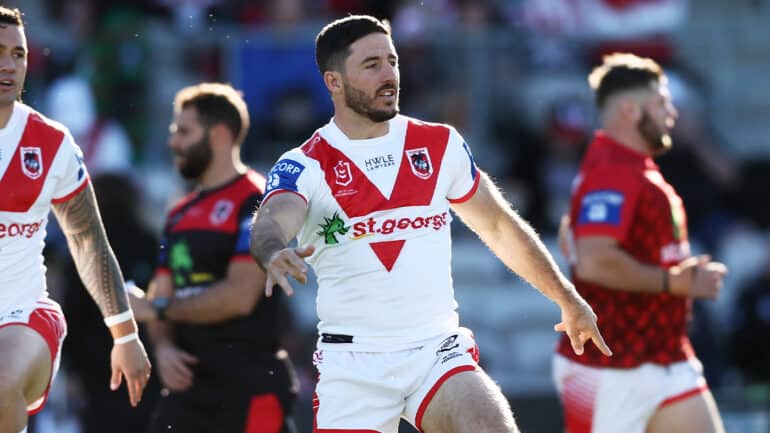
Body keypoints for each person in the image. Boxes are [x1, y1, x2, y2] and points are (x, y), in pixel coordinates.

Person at [249, 15, 610, 433]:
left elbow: (499, 227)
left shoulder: (439, 144)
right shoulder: (306, 163)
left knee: (490, 426)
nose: (390, 75)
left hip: (435, 350)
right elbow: (273, 219)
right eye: (372, 65)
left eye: (393, 60)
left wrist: (566, 298)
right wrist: (273, 250)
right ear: (334, 82)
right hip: (353, 365)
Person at [552, 53, 727, 433]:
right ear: (631, 110)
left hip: (665, 356)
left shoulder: (629, 167)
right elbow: (595, 262)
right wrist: (676, 283)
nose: (672, 114)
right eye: (662, 103)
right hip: (610, 368)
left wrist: (682, 277)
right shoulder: (614, 171)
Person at [0, 7, 151, 433]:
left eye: (18, 54)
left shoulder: (50, 142)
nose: (9, 65)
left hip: (23, 315)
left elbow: (88, 241)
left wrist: (124, 334)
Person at [127, 82, 298, 433]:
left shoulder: (258, 201)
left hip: (248, 385)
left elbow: (238, 297)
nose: (173, 142)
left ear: (219, 135)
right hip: (189, 390)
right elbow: (162, 290)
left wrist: (158, 310)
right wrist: (162, 348)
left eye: (184, 132)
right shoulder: (178, 213)